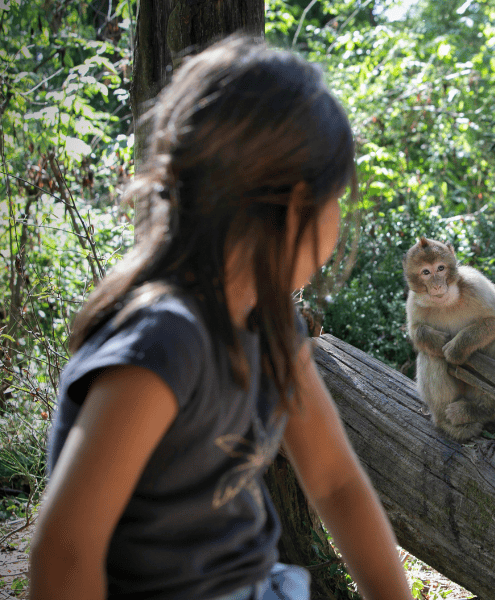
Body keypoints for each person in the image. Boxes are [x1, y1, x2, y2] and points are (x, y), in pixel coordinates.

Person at [30, 36, 414, 600]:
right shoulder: (165, 342)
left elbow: (335, 483)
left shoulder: (272, 322)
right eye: (338, 201)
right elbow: (66, 549)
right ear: (298, 203)